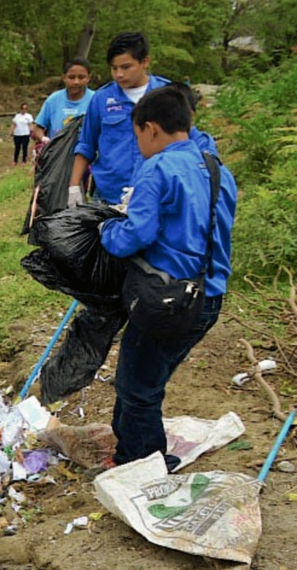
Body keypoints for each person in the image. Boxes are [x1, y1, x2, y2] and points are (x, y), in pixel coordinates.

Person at [98, 86, 237, 471]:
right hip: (208, 298)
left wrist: (107, 230)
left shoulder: (157, 168)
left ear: (151, 128)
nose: (138, 144)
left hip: (168, 300)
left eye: (137, 135)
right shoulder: (216, 168)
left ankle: (143, 464)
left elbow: (136, 234)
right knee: (146, 375)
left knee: (137, 386)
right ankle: (132, 445)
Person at [69, 32, 172, 206]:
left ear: (145, 62)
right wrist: (73, 187)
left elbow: (183, 143)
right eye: (114, 68)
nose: (119, 74)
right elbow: (86, 145)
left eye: (126, 67)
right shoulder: (102, 99)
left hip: (157, 196)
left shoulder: (167, 95)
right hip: (109, 196)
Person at [32, 58, 95, 144]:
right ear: (64, 77)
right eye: (71, 77)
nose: (76, 82)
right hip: (57, 153)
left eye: (81, 77)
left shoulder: (96, 99)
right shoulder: (53, 100)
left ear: (88, 78)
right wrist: (44, 139)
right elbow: (37, 127)